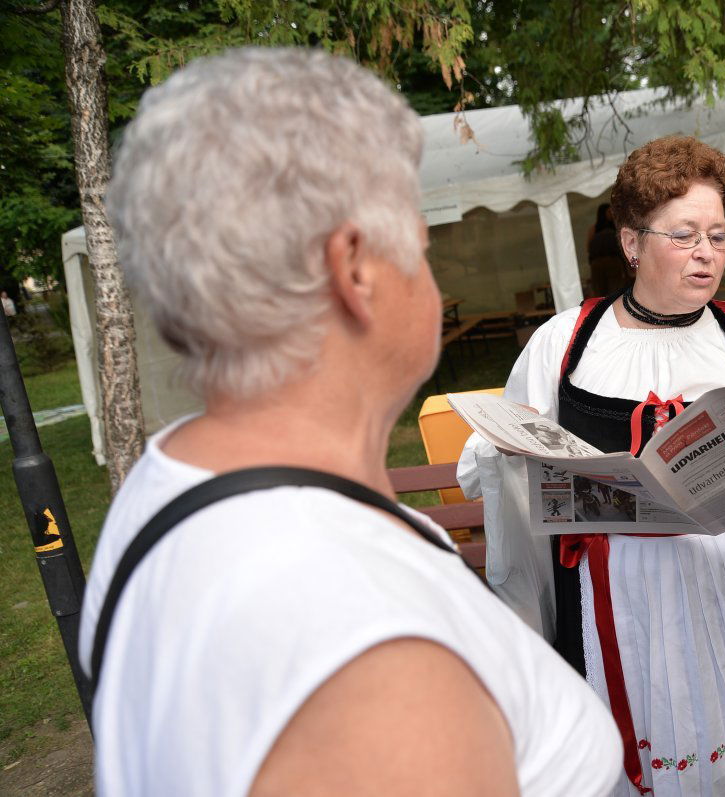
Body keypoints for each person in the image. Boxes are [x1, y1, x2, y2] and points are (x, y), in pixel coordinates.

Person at [78, 47, 621, 797]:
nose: (430, 271)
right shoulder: (362, 646)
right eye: (423, 245)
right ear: (356, 269)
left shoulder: (178, 477)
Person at [459, 135, 725, 796]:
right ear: (632, 243)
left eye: (717, 235)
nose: (707, 252)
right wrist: (510, 453)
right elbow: (491, 459)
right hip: (618, 600)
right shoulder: (564, 343)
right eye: (684, 235)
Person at [588, 202, 630, 297]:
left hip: (613, 261)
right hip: (598, 263)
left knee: (615, 290)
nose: (612, 213)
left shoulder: (616, 227)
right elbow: (588, 248)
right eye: (609, 211)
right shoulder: (594, 229)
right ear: (603, 213)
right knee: (599, 292)